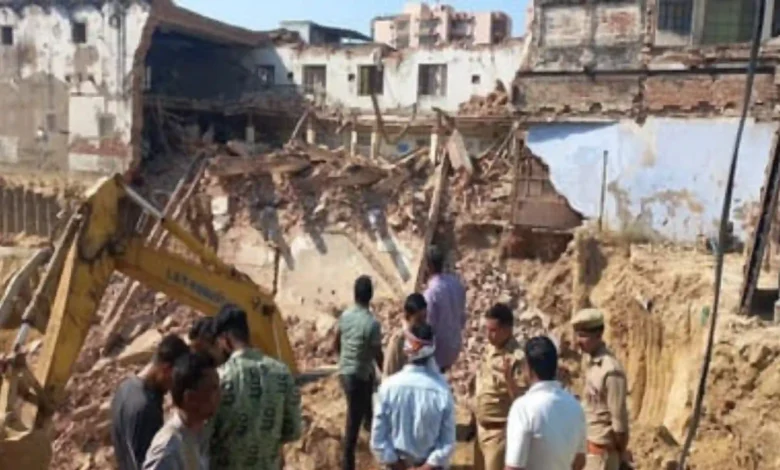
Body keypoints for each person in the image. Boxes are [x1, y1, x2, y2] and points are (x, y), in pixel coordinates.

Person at [207, 304, 302, 470]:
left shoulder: (220, 378)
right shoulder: (282, 372)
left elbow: (204, 436)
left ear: (225, 339)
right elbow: (293, 430)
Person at [371, 323, 456, 470]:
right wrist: (426, 467)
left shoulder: (388, 388)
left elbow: (378, 440)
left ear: (406, 351)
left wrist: (399, 465)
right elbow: (447, 443)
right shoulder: (442, 391)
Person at [505, 336, 587, 470]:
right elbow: (579, 461)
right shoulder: (575, 406)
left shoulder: (522, 408)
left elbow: (514, 467)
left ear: (529, 368)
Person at [111, 334, 191, 470]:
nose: (176, 386)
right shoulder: (146, 408)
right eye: (177, 379)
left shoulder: (125, 388)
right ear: (167, 370)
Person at [334, 275, 384, 470]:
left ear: (354, 294)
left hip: (346, 374)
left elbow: (335, 343)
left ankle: (369, 424)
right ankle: (348, 464)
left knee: (366, 401)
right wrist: (388, 373)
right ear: (370, 296)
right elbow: (377, 354)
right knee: (352, 426)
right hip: (359, 377)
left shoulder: (345, 316)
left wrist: (343, 361)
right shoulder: (372, 324)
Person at [571, 309, 631, 470]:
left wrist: (619, 454)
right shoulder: (591, 364)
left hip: (602, 457)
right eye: (577, 335)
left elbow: (619, 423)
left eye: (583, 335)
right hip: (590, 452)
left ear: (599, 334)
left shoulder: (611, 371)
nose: (578, 341)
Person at [143, 351, 221, 470]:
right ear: (190, 398)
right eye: (213, 389)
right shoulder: (168, 449)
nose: (220, 394)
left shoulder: (200, 433)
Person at [473, 303, 528, 470]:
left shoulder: (516, 359)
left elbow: (522, 402)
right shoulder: (490, 349)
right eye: (487, 329)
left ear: (508, 330)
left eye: (493, 330)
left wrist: (509, 380)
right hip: (481, 429)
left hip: (498, 434)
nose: (488, 335)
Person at [422, 245, 466, 373]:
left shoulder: (430, 293)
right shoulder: (456, 284)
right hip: (455, 346)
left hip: (439, 352)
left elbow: (428, 328)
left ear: (428, 266)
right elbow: (462, 317)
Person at [383, 293, 428, 377]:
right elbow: (388, 374)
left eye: (424, 318)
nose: (422, 323)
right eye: (418, 320)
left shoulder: (426, 339)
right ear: (408, 317)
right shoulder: (398, 341)